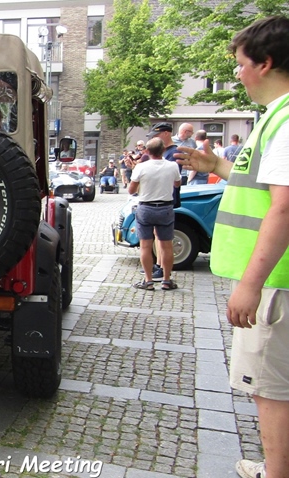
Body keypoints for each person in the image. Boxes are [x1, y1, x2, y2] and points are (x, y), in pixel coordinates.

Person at [175, 15, 289, 478]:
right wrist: (217, 166)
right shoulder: (275, 118)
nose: (237, 74)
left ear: (265, 63)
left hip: (276, 283)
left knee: (271, 390)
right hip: (277, 280)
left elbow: (284, 207)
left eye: (240, 64)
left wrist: (251, 284)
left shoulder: (284, 120)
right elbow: (262, 185)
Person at [130, 138, 181, 291]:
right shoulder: (172, 166)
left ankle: (148, 281)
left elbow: (131, 190)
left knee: (145, 246)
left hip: (146, 208)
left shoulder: (141, 167)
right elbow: (177, 183)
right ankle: (166, 280)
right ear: (163, 150)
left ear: (147, 151)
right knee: (166, 246)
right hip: (165, 208)